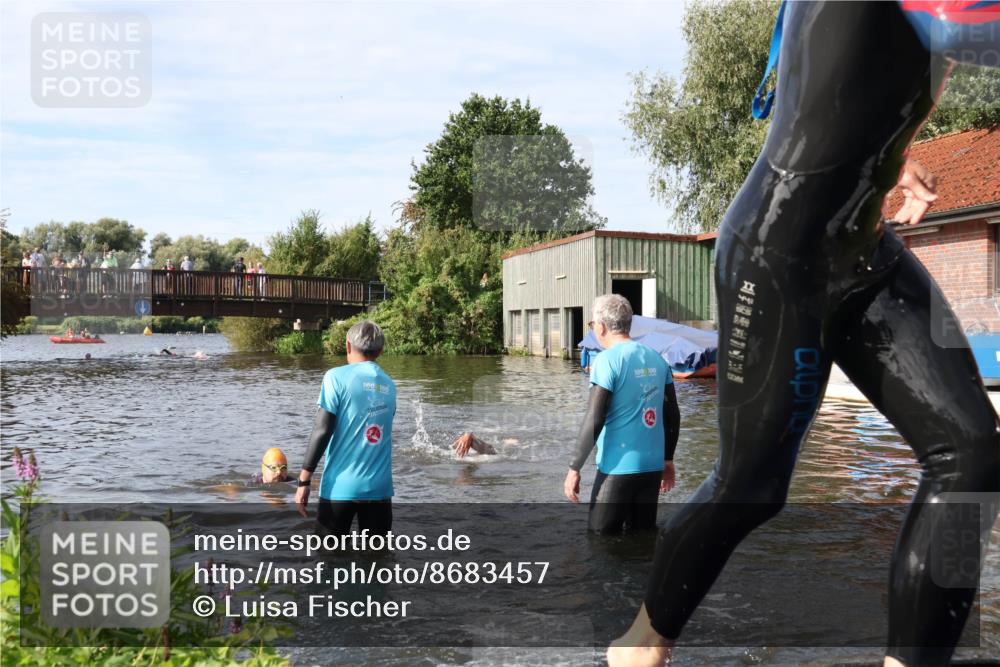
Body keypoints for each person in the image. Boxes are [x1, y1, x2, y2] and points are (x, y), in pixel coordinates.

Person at [608, 3, 1000, 666]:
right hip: (778, 254)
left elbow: (837, 80)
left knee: (973, 454)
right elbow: (961, 30)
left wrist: (877, 156)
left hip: (864, 249)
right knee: (751, 486)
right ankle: (639, 646)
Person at [563, 294, 680, 534]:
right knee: (642, 541)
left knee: (600, 541)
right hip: (651, 468)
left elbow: (595, 417)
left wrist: (574, 468)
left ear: (601, 326)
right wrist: (668, 460)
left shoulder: (606, 361)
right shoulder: (657, 359)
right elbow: (672, 415)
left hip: (617, 469)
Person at [294, 321, 397, 538]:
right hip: (380, 489)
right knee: (378, 562)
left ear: (348, 346)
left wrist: (304, 480)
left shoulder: (335, 377)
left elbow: (322, 429)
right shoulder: (390, 385)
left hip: (341, 488)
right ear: (381, 351)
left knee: (328, 559)